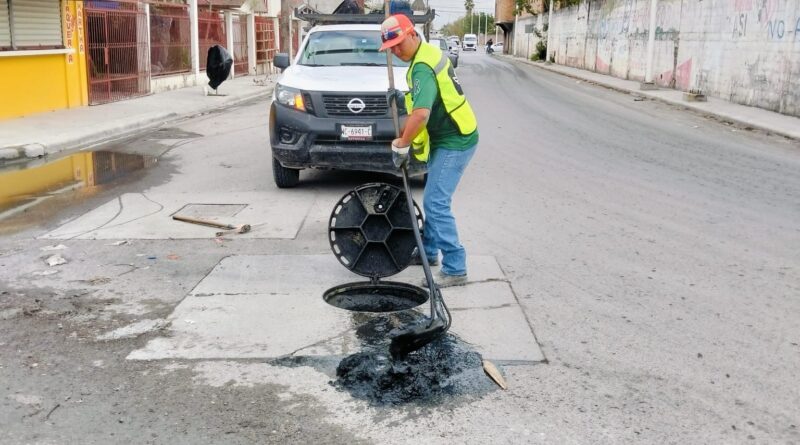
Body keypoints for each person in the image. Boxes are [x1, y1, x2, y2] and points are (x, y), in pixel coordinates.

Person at [379, 14, 479, 288]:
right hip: (447, 136)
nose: (397, 51)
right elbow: (425, 98)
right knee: (433, 199)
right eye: (392, 49)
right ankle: (429, 252)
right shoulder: (425, 55)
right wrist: (402, 98)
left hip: (456, 139)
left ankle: (455, 268)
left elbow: (421, 114)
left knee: (435, 203)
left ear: (413, 34)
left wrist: (402, 143)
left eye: (399, 44)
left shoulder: (421, 66)